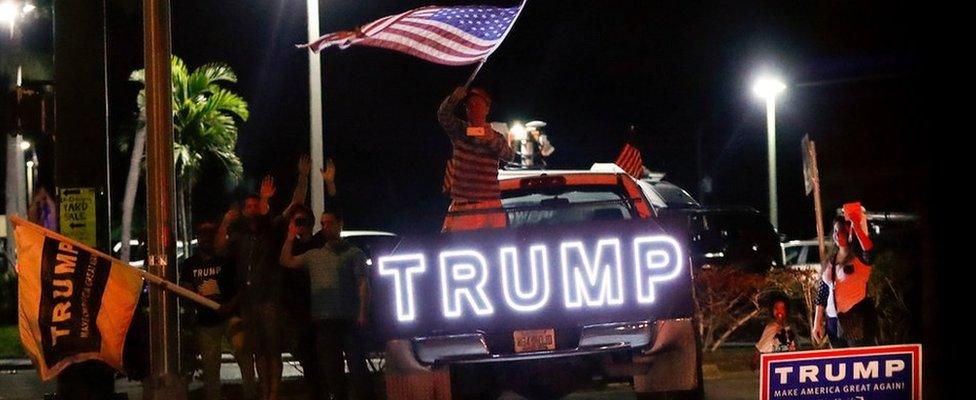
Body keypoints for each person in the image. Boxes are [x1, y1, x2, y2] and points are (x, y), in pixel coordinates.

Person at [217, 160, 308, 400]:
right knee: (258, 352)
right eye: (248, 206)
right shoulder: (239, 236)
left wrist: (302, 178)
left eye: (255, 205)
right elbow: (220, 249)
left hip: (270, 301)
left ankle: (274, 394)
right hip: (250, 303)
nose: (251, 209)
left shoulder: (273, 228)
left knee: (273, 351)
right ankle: (265, 391)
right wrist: (225, 222)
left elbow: (295, 204)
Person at [280, 186, 374, 400]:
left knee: (358, 369)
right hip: (323, 323)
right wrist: (290, 237)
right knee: (333, 373)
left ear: (340, 225)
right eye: (323, 224)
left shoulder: (353, 253)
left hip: (348, 319)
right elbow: (286, 261)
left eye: (330, 223)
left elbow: (363, 283)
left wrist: (362, 312)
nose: (326, 227)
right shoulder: (313, 255)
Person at [181, 223, 256, 400]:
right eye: (202, 234)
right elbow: (186, 288)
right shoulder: (190, 264)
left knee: (244, 357)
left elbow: (241, 287)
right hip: (206, 321)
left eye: (210, 234)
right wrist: (195, 299)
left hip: (230, 317)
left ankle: (251, 395)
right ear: (198, 238)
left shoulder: (226, 261)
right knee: (210, 366)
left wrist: (230, 305)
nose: (206, 238)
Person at [438, 86, 515, 230]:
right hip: (463, 207)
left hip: (490, 206)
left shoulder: (496, 137)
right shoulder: (460, 131)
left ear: (487, 109)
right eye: (469, 105)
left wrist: (490, 139)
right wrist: (454, 98)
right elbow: (443, 115)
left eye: (478, 104)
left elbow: (509, 156)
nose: (473, 108)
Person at [814, 205, 878, 348]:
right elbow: (823, 291)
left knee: (855, 362)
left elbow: (869, 251)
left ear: (849, 232)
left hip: (852, 317)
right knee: (839, 363)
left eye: (841, 231)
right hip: (832, 319)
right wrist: (817, 321)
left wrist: (857, 226)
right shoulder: (831, 259)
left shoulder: (859, 258)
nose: (837, 235)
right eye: (835, 231)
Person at [752, 295, 797, 370]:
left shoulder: (791, 328)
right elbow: (761, 348)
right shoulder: (771, 327)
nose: (779, 311)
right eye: (776, 308)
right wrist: (755, 362)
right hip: (774, 366)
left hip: (789, 366)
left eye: (782, 308)